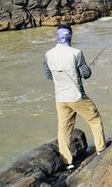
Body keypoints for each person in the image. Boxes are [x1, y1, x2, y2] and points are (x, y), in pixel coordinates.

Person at [43, 25, 106, 170]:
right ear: (70, 36)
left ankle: (67, 162)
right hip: (77, 96)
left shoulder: (48, 54)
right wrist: (76, 75)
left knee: (64, 129)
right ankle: (101, 150)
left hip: (60, 98)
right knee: (95, 120)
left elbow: (48, 75)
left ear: (57, 35)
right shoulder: (76, 53)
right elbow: (87, 74)